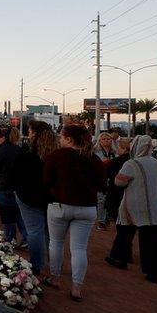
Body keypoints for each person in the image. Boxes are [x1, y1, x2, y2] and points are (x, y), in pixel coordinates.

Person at [43, 125, 106, 301]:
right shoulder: (93, 159)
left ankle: (55, 278)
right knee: (79, 248)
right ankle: (76, 288)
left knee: (56, 243)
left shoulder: (56, 156)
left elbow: (46, 181)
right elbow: (102, 185)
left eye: (62, 137)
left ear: (69, 139)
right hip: (86, 208)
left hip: (59, 205)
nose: (60, 139)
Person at [106, 135, 157, 283]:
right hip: (156, 206)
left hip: (135, 205)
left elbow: (119, 182)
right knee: (152, 240)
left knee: (124, 231)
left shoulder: (131, 164)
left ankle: (120, 258)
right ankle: (153, 272)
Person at [12, 120, 56, 276]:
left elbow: (16, 174)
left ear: (35, 134)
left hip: (28, 197)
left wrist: (17, 191)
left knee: (34, 231)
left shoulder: (28, 154)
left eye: (30, 131)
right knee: (51, 233)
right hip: (51, 198)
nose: (28, 134)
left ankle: (36, 264)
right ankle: (54, 265)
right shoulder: (55, 155)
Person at [0, 127, 27, 245]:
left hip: (2, 186)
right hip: (18, 187)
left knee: (6, 214)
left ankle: (10, 239)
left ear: (2, 138)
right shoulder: (19, 150)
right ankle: (26, 237)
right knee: (19, 213)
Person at [92, 132, 117, 229]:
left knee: (110, 198)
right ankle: (101, 221)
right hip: (100, 178)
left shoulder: (115, 152)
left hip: (112, 179)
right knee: (101, 200)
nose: (106, 141)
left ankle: (107, 217)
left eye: (108, 139)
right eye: (104, 139)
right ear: (99, 141)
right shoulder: (95, 151)